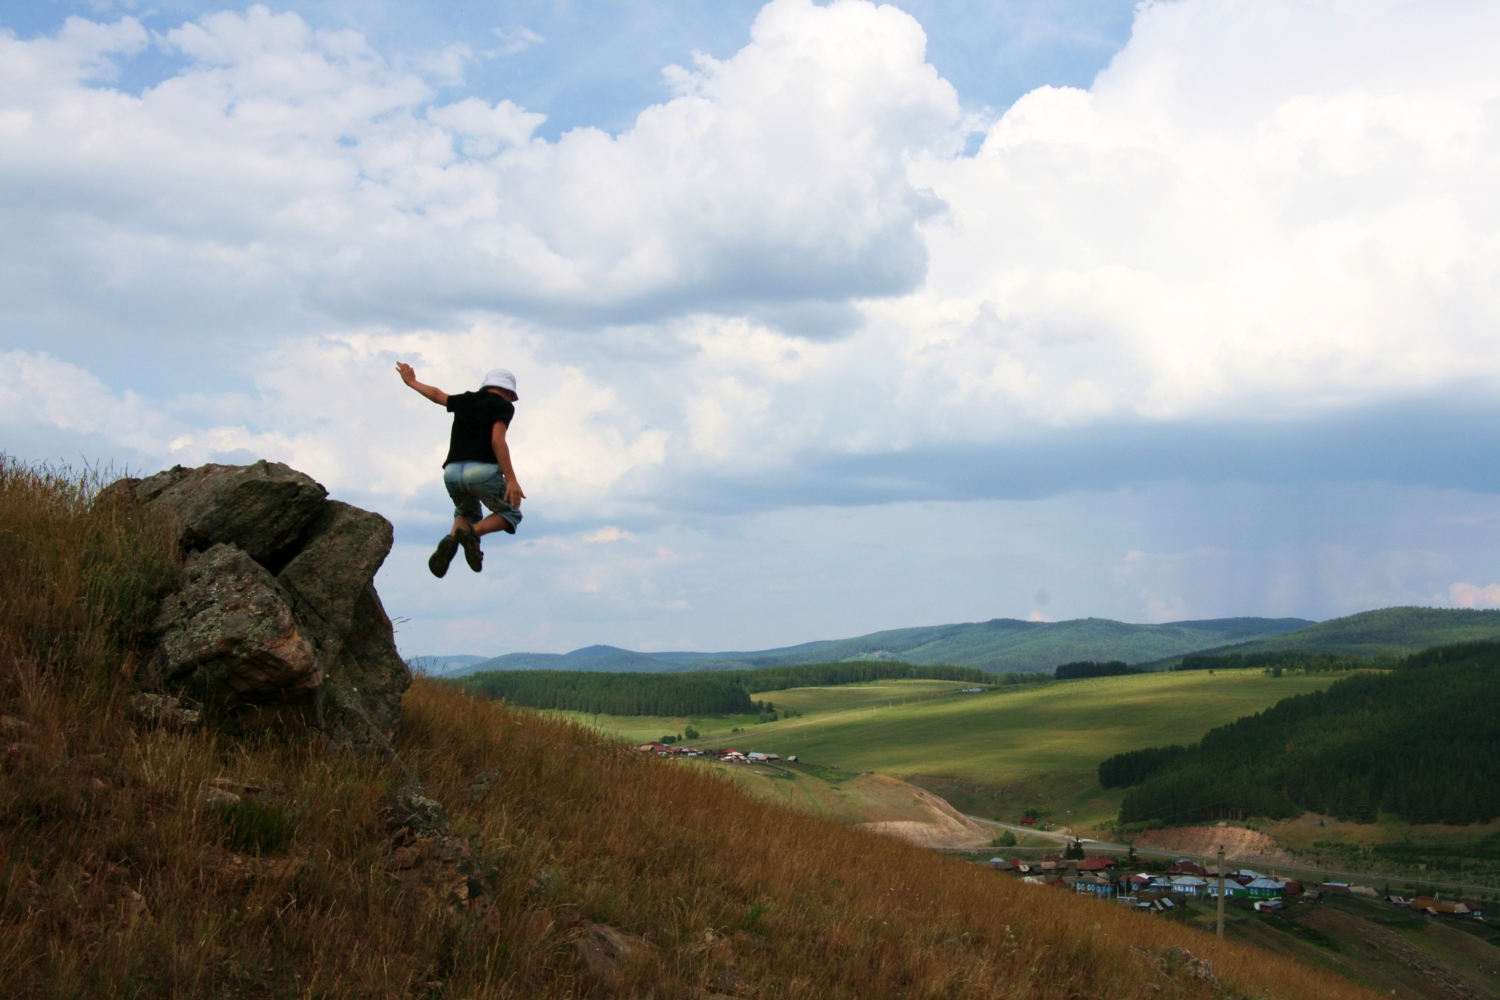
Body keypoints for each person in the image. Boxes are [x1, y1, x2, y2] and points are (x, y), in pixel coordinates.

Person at [396, 363, 526, 577]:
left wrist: (411, 381)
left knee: (467, 512)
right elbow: (497, 440)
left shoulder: (466, 400)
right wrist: (511, 479)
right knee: (510, 512)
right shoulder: (503, 406)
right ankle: (471, 532)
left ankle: (452, 538)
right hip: (482, 471)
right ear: (508, 391)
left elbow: (437, 395)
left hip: (453, 471)